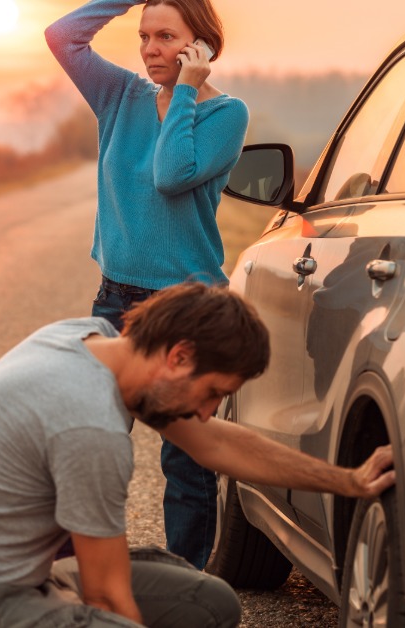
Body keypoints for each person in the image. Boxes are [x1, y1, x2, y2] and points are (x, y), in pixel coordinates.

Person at [0, 283, 396, 627]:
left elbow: (217, 442)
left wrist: (347, 481)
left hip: (13, 579)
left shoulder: (91, 342)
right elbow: (107, 597)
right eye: (213, 391)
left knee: (208, 603)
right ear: (179, 356)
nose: (208, 411)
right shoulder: (87, 422)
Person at [45, 0, 250, 569]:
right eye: (144, 36)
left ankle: (187, 584)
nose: (151, 49)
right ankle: (70, 574)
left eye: (167, 37)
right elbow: (63, 36)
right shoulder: (119, 96)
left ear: (199, 46)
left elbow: (171, 175)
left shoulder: (225, 115)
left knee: (186, 463)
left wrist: (186, 88)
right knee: (85, 444)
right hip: (116, 299)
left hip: (188, 308)